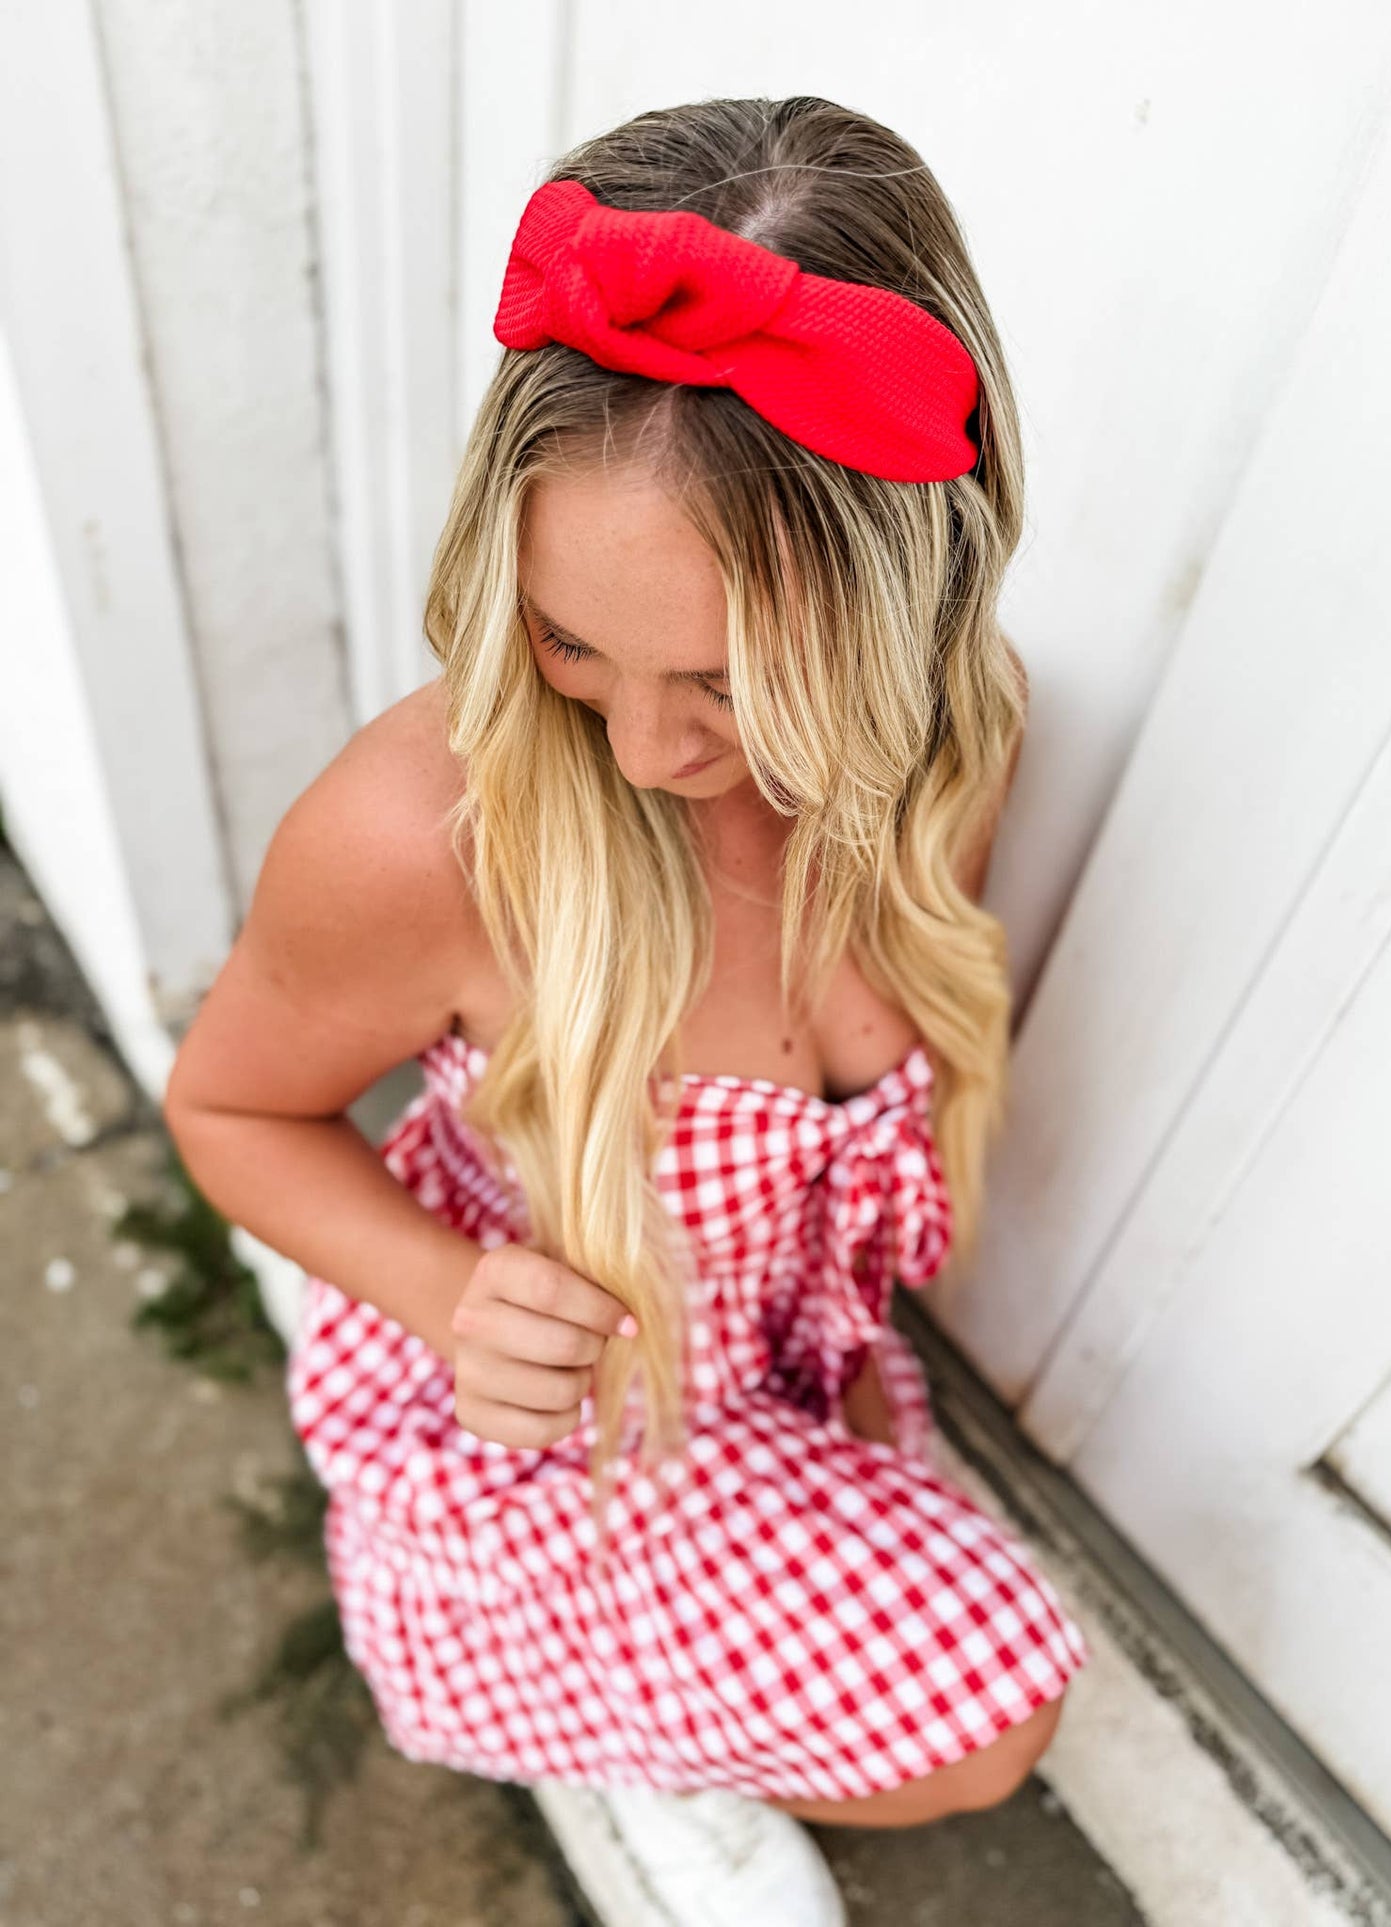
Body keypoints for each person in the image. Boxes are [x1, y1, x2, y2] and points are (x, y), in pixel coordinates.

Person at [164, 93, 1089, 1927]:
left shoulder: (951, 748)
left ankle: (668, 1662)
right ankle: (603, 1732)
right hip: (557, 1395)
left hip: (749, 1344)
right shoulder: (426, 836)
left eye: (736, 681)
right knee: (992, 1719)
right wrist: (445, 1290)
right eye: (568, 643)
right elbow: (227, 1107)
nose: (653, 752)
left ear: (908, 607)